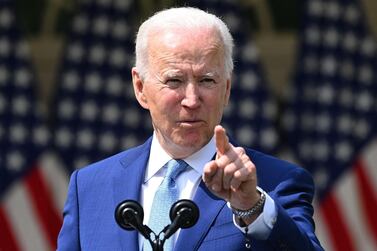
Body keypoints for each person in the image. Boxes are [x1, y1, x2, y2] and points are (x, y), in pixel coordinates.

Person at [57, 7, 324, 251]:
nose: (192, 100)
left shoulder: (276, 182)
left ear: (227, 89)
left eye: (207, 80)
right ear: (140, 88)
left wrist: (252, 207)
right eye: (174, 81)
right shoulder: (90, 187)